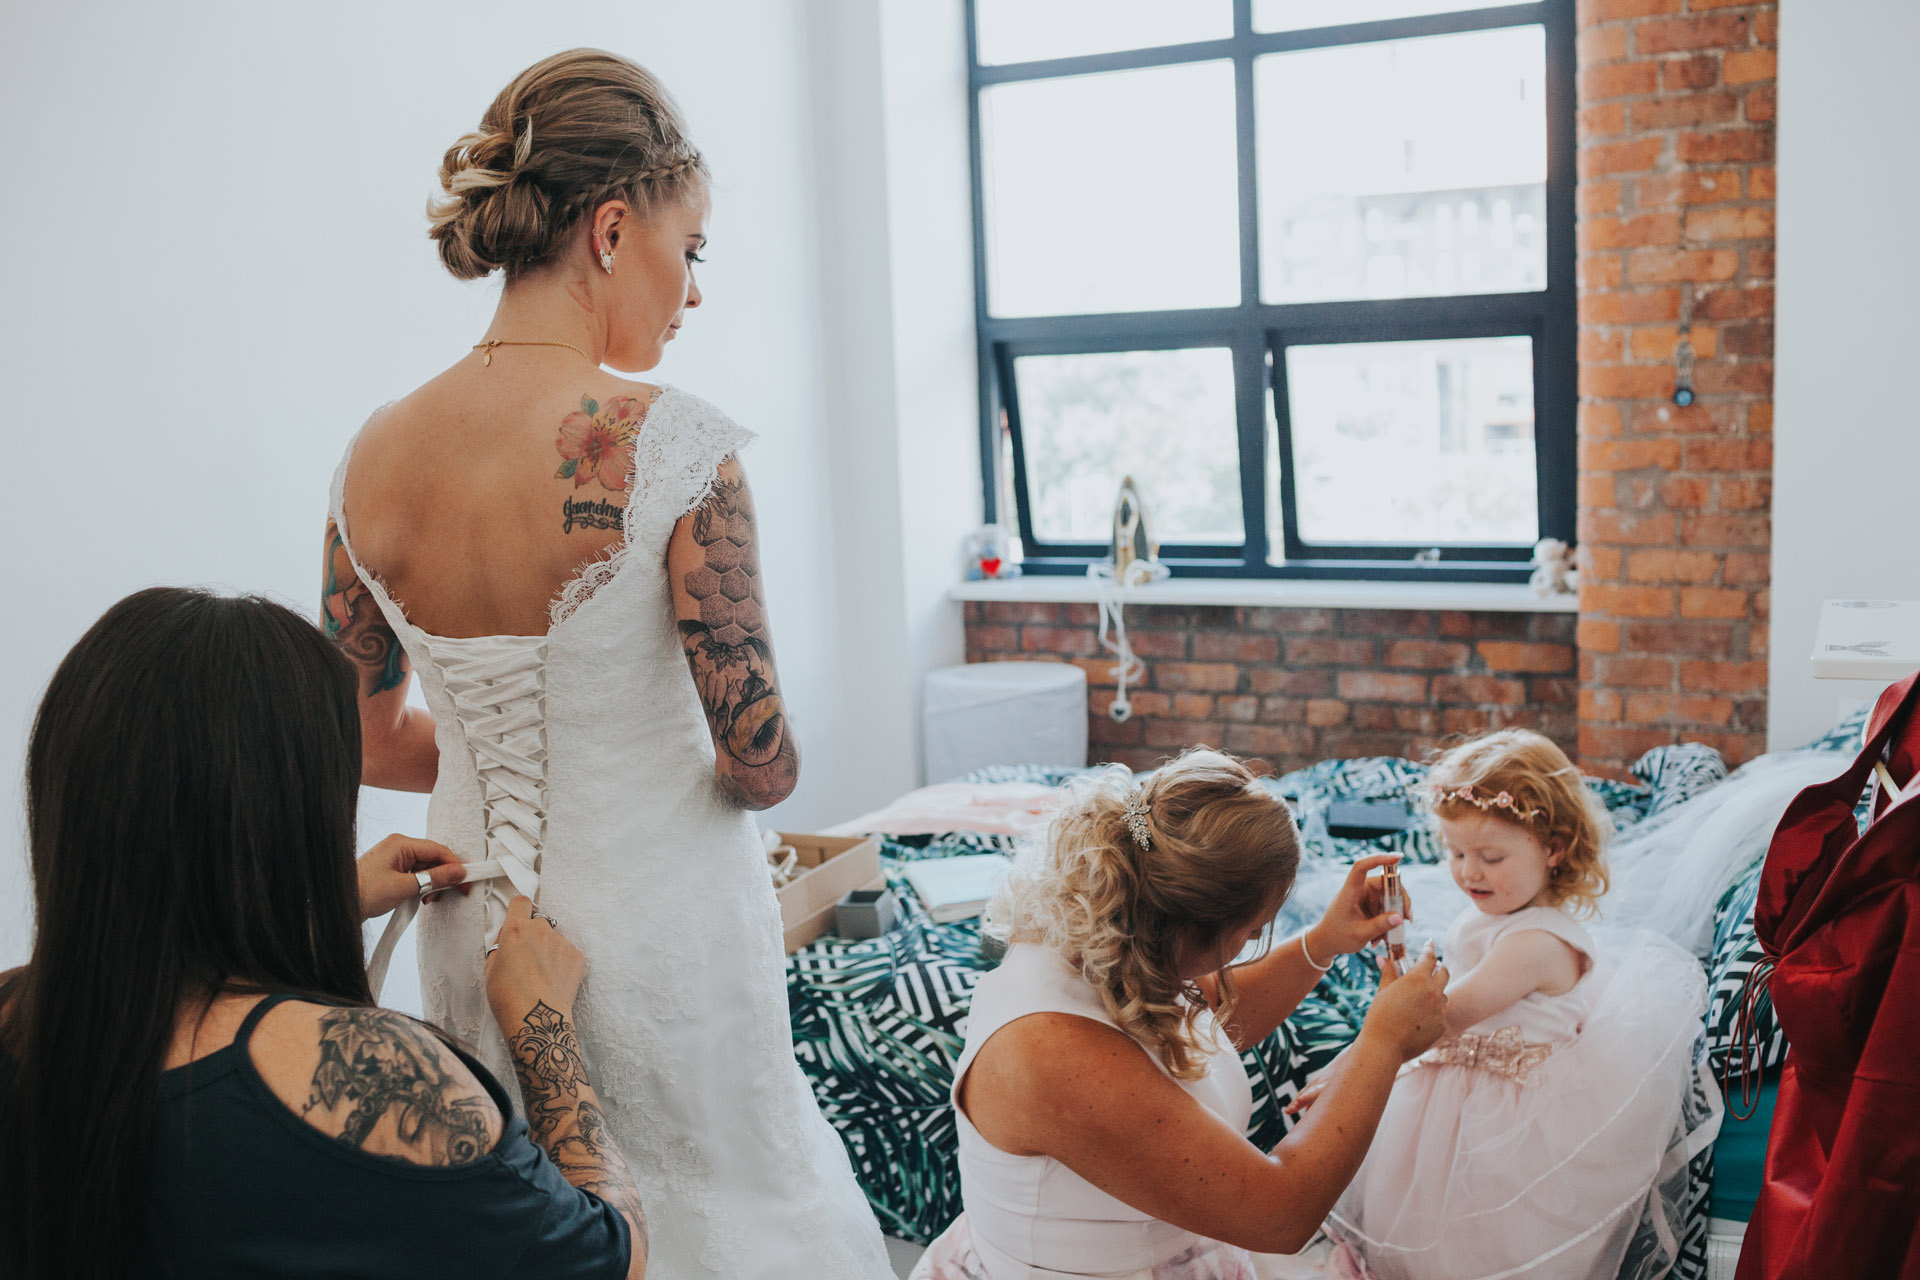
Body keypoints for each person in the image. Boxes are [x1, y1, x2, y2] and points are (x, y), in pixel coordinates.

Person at [319, 49, 889, 1277]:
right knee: (730, 1207)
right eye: (692, 249)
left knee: (527, 1224)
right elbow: (763, 762)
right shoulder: (676, 449)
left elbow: (365, 739)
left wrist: (495, 746)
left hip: (467, 924)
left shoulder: (369, 458)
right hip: (661, 927)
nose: (693, 293)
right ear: (614, 228)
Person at [0, 587, 644, 1279]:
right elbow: (607, 1257)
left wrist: (305, 907)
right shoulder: (378, 1075)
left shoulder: (22, 1015)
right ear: (294, 811)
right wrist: (543, 1028)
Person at [914, 749, 1451, 1280]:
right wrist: (1384, 1041)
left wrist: (1323, 943)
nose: (1250, 945)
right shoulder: (1051, 1053)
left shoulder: (1109, 931)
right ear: (1188, 931)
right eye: (1250, 932)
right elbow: (1281, 1215)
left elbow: (1198, 1023)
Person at [1298, 729, 1720, 1280]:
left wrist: (1349, 1072)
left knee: (1474, 1247)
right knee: (1422, 1230)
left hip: (1505, 1125)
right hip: (1453, 1089)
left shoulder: (1535, 944)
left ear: (1553, 848)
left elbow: (1437, 1018)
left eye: (1491, 856)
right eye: (1455, 853)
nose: (1469, 872)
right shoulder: (1495, 916)